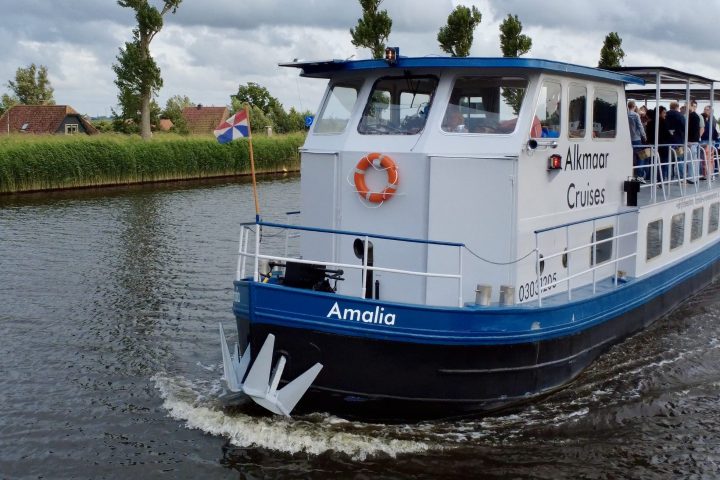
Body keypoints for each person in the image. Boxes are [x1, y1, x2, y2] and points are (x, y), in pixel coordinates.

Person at [665, 101, 686, 180]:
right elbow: (684, 127)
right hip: (679, 141)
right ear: (677, 107)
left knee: (669, 160)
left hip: (667, 141)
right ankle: (681, 177)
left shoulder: (666, 114)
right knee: (679, 159)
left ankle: (669, 176)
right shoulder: (680, 115)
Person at [628, 100, 648, 180]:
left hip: (629, 139)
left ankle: (632, 174)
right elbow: (640, 126)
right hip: (637, 139)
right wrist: (644, 136)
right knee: (641, 156)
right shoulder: (636, 115)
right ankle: (639, 175)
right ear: (634, 106)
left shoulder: (625, 114)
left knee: (631, 157)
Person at [687, 100, 704, 180]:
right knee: (694, 160)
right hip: (695, 141)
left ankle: (692, 178)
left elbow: (700, 129)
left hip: (691, 141)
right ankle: (694, 178)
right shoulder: (696, 116)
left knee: (691, 160)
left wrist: (695, 138)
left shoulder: (692, 116)